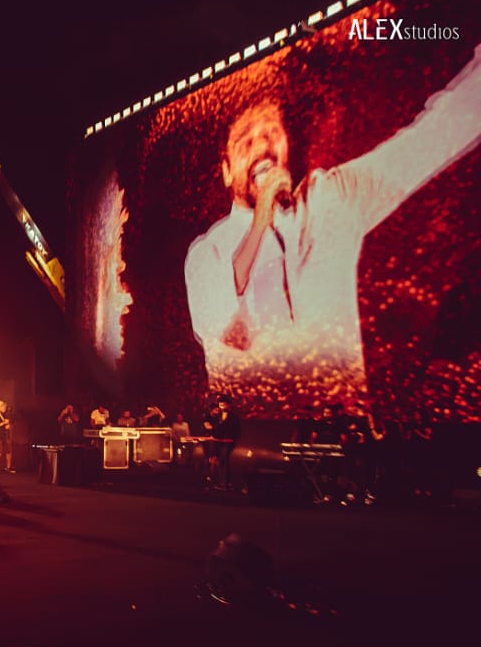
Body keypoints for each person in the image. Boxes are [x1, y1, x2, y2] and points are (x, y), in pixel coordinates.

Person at [184, 47, 481, 414]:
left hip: (342, 432)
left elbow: (427, 140)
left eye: (272, 133)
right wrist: (261, 221)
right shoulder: (206, 255)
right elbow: (227, 334)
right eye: (246, 140)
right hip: (255, 434)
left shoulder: (331, 199)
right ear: (227, 170)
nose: (262, 145)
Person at [202, 395, 241, 490]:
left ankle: (225, 483)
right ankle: (219, 482)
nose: (222, 407)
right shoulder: (217, 416)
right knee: (217, 461)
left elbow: (236, 430)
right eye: (220, 405)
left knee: (224, 461)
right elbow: (212, 426)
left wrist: (233, 439)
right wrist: (211, 428)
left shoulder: (234, 417)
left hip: (228, 442)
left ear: (228, 405)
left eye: (223, 405)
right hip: (217, 442)